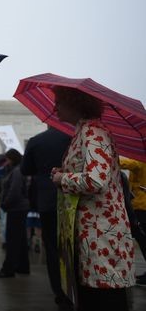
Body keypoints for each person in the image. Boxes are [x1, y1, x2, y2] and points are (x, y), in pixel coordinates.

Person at [50, 87, 135, 311]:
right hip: (92, 231)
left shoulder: (94, 132)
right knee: (92, 294)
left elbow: (97, 181)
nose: (54, 107)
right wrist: (65, 172)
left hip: (101, 231)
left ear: (74, 103)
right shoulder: (84, 131)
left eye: (59, 102)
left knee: (103, 297)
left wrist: (62, 178)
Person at [21, 126, 71, 307]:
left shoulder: (36, 140)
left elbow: (26, 169)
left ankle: (60, 292)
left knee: (52, 248)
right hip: (71, 198)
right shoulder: (72, 137)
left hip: (47, 201)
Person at [0, 148, 30, 278]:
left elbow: (14, 192)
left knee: (12, 240)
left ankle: (8, 269)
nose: (6, 162)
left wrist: (5, 204)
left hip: (16, 208)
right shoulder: (17, 170)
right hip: (20, 207)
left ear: (12, 158)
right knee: (20, 239)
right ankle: (23, 266)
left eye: (8, 159)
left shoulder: (16, 171)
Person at [119, 157, 146, 286]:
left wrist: (110, 158)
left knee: (143, 239)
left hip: (142, 205)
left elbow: (131, 163)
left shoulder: (142, 159)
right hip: (141, 204)